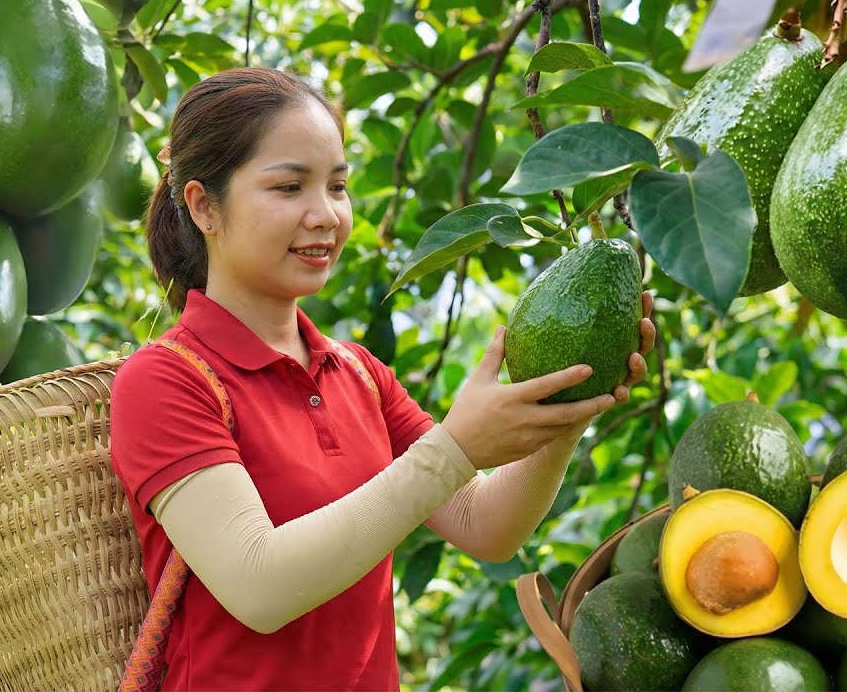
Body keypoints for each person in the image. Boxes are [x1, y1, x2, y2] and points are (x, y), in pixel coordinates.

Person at [108, 67, 657, 692]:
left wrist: (569, 405)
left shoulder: (359, 374)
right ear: (205, 205)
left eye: (337, 186)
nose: (325, 215)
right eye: (289, 187)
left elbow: (487, 526)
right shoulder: (165, 382)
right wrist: (451, 450)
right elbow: (257, 584)